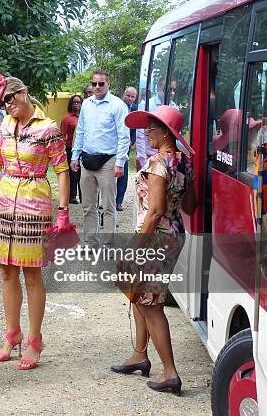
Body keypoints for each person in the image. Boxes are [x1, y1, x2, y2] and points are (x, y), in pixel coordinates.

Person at [0, 73, 70, 370]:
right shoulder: (6, 125)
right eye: (2, 102)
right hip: (3, 201)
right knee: (6, 272)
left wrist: (63, 211)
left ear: (23, 92)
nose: (7, 105)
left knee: (32, 274)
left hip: (34, 202)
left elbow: (62, 170)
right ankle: (11, 335)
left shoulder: (48, 128)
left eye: (10, 99)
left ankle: (34, 340)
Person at [111, 105, 197, 396]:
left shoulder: (158, 163)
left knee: (151, 304)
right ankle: (139, 354)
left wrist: (133, 250)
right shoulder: (185, 162)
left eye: (149, 129)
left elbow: (155, 211)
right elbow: (190, 206)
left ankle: (170, 373)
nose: (145, 134)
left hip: (154, 238)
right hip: (174, 233)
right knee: (140, 293)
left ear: (164, 133)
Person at [70, 70, 130, 248]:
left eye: (101, 84)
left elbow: (124, 136)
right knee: (88, 206)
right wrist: (75, 156)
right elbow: (80, 132)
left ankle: (109, 245)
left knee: (109, 207)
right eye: (94, 83)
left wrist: (120, 163)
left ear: (108, 84)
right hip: (87, 160)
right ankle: (91, 243)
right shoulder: (86, 104)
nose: (97, 87)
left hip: (108, 161)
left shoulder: (118, 105)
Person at [136, 79, 178, 170]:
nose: (172, 93)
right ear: (159, 88)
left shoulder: (174, 108)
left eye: (174, 90)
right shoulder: (147, 105)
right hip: (149, 156)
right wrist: (143, 161)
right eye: (169, 90)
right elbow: (140, 136)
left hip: (168, 158)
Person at [116, 86, 138, 211]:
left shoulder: (135, 109)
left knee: (123, 172)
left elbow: (135, 128)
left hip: (126, 145)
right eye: (128, 95)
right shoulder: (117, 106)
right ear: (124, 94)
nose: (130, 98)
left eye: (132, 96)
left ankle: (119, 201)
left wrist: (132, 141)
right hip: (113, 144)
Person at [61, 94, 82, 204]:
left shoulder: (84, 117)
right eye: (74, 102)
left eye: (78, 102)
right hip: (71, 149)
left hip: (84, 150)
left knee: (82, 174)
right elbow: (63, 135)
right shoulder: (67, 119)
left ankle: (83, 196)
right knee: (73, 173)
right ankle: (72, 196)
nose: (76, 104)